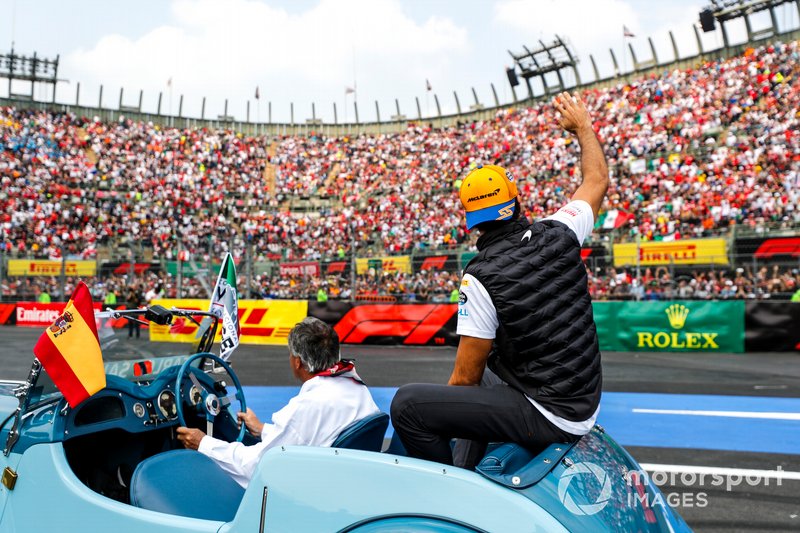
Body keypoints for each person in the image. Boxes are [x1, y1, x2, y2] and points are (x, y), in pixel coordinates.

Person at [391, 92, 609, 467]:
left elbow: (464, 381)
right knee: (489, 376)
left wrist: (445, 411)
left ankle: (450, 490)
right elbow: (597, 179)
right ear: (516, 198)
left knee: (408, 405)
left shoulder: (479, 277)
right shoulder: (562, 229)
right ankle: (467, 468)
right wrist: (584, 128)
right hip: (584, 395)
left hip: (552, 412)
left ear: (471, 220)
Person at [176, 317, 380, 488]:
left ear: (298, 361)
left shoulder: (309, 404)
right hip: (345, 479)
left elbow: (257, 467)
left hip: (307, 487)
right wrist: (263, 429)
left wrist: (203, 443)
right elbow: (312, 436)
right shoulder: (356, 386)